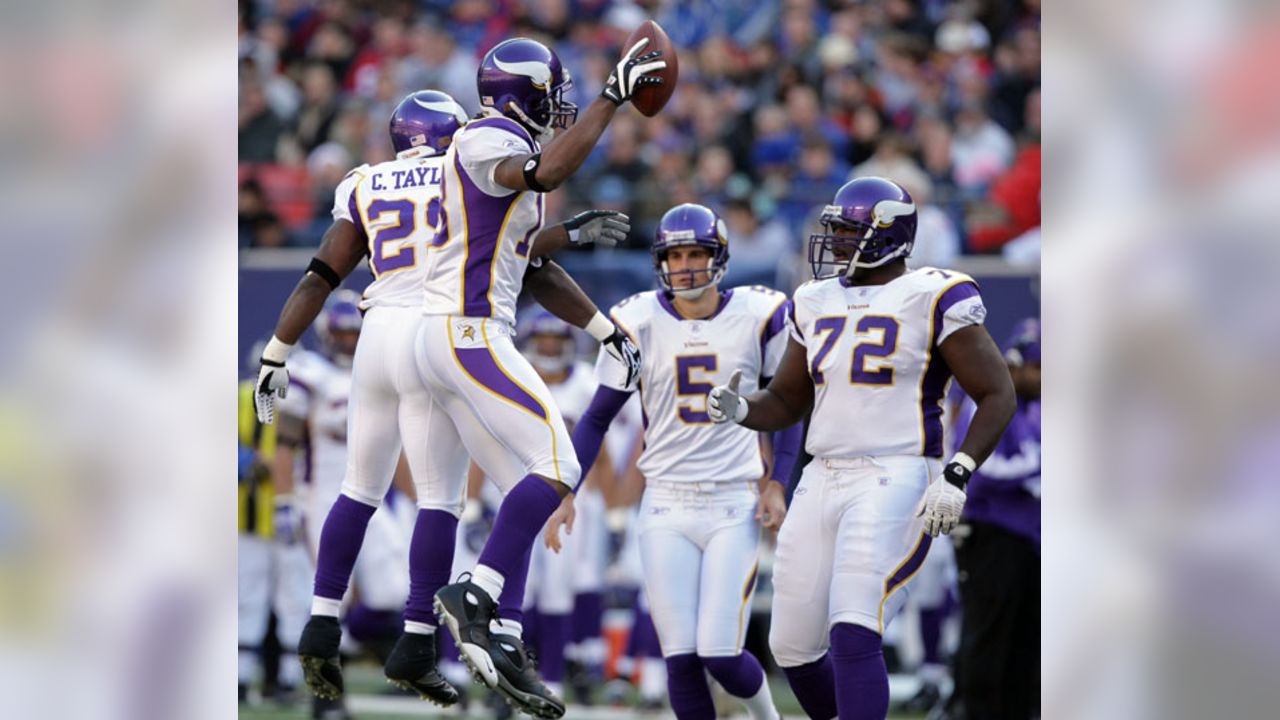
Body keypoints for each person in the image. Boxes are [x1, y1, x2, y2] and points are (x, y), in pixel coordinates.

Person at [251, 89, 634, 709]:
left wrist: (277, 350)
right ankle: (426, 634)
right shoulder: (470, 161)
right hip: (440, 326)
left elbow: (324, 269)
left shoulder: (367, 181)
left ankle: (323, 622)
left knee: (358, 487)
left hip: (379, 330)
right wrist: (564, 239)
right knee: (444, 497)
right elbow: (507, 259)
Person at [705, 176, 1016, 720]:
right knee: (793, 648)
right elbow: (786, 400)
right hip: (822, 475)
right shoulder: (814, 298)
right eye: (837, 230)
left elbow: (997, 393)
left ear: (889, 235)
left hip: (895, 474)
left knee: (853, 628)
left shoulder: (935, 294)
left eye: (850, 231)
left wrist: (959, 472)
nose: (838, 242)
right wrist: (743, 409)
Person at [424, 36, 666, 718]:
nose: (559, 106)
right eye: (553, 92)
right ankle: (470, 597)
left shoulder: (502, 159)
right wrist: (611, 98)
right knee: (560, 460)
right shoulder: (485, 140)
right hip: (462, 330)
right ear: (522, 93)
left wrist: (603, 331)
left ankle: (503, 631)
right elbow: (546, 174)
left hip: (462, 330)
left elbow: (531, 265)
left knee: (522, 485)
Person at [548, 203, 803, 720]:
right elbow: (596, 418)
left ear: (720, 257)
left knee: (720, 652)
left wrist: (778, 482)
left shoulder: (759, 313)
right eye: (677, 254)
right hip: (663, 503)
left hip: (733, 499)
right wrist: (565, 490)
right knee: (680, 657)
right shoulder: (636, 320)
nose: (686, 265)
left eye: (697, 253)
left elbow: (790, 405)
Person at [949, 318, 1041, 720]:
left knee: (1028, 641)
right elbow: (981, 469)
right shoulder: (987, 399)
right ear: (1016, 364)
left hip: (1030, 537)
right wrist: (1037, 469)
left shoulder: (1035, 408)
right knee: (988, 637)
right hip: (992, 532)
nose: (1043, 379)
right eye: (1038, 368)